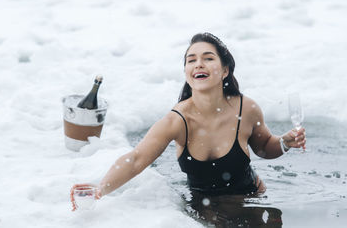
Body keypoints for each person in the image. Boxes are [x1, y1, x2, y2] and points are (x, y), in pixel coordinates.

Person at [70, 32, 306, 211]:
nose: (198, 64)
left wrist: (284, 142)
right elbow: (136, 159)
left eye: (208, 58)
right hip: (204, 208)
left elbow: (264, 148)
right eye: (191, 60)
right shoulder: (177, 121)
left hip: (252, 200)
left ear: (225, 71)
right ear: (186, 71)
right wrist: (100, 189)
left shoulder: (247, 108)